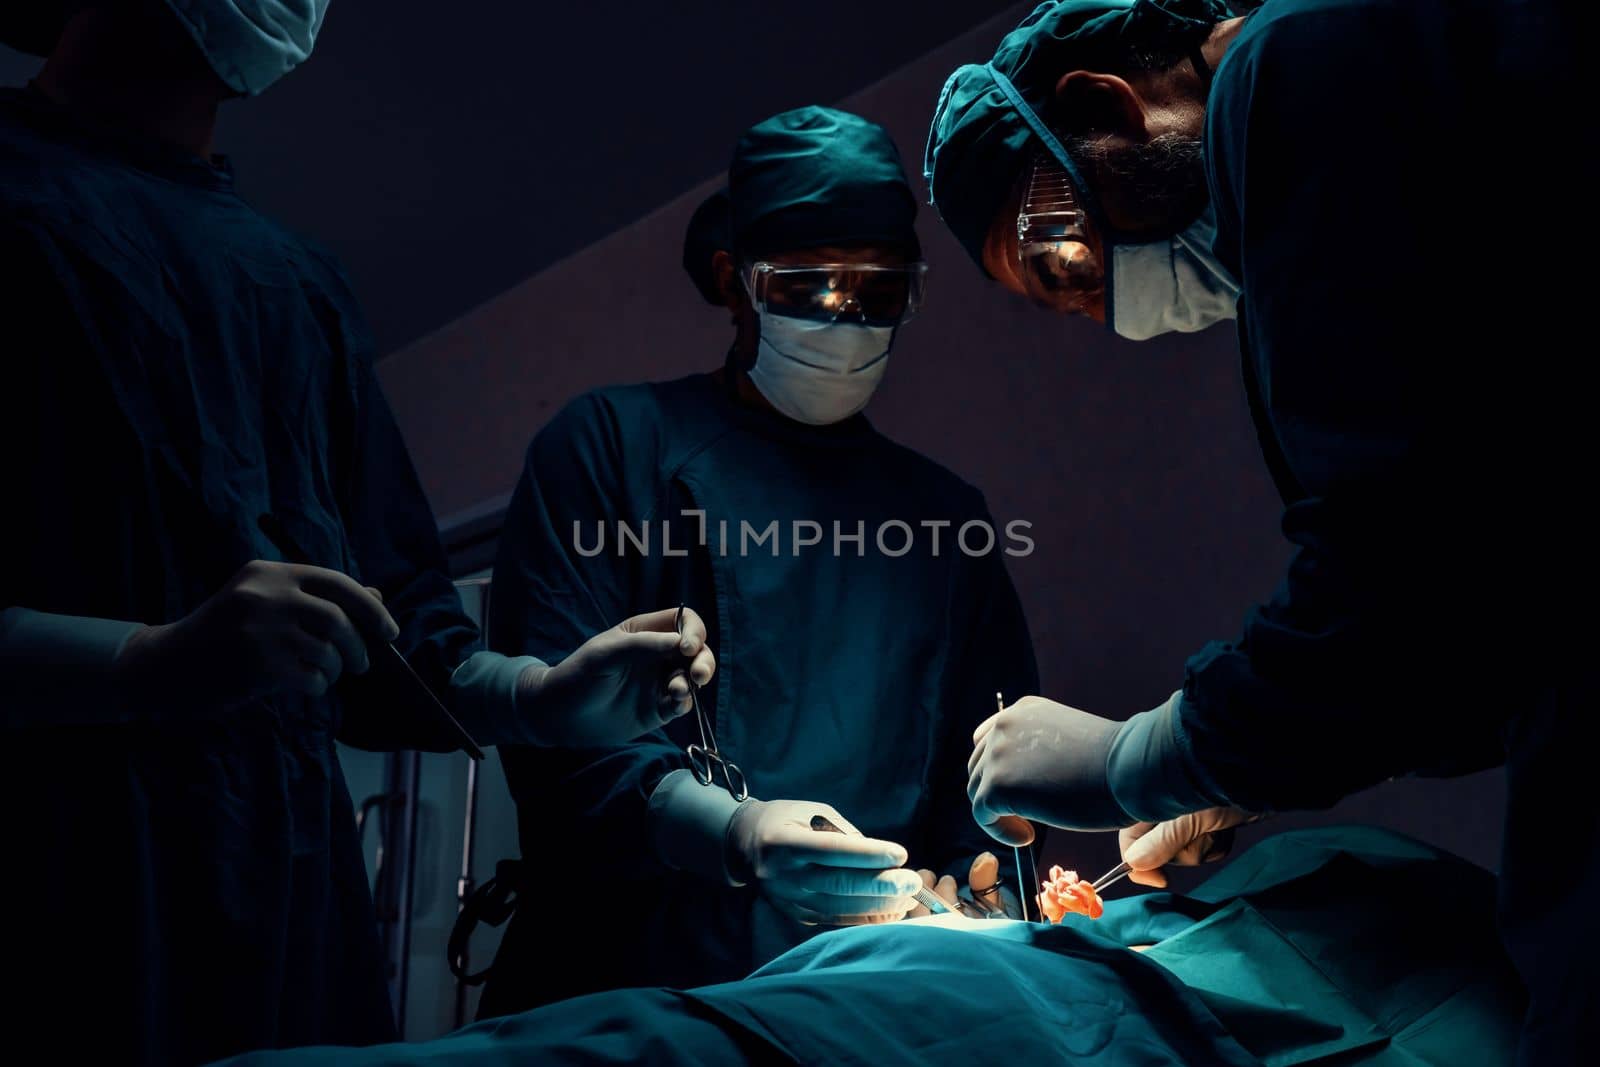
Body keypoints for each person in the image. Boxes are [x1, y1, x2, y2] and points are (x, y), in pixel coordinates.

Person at [0, 3, 712, 1063]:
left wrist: (541, 696)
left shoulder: (295, 284)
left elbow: (398, 640)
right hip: (54, 892)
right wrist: (140, 662)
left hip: (285, 897)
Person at [923, 0, 1588, 1059]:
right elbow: (1473, 629)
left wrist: (1146, 752)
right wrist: (1234, 765)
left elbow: (1395, 576)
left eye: (1065, 253)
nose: (1101, 310)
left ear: (1103, 102)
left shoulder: (1302, 57)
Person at [476, 106, 1040, 1014]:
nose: (848, 317)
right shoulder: (612, 448)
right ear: (734, 282)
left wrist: (975, 886)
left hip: (863, 986)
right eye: (812, 287)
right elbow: (552, 730)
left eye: (881, 291)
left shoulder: (945, 518)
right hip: (624, 979)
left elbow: (999, 767)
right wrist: (727, 829)